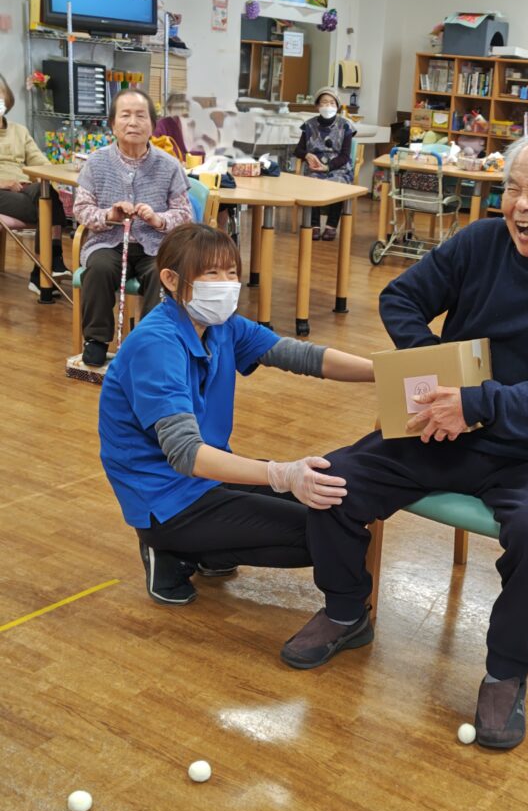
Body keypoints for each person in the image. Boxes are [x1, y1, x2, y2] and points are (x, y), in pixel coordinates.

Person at [280, 124, 528, 751]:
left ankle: (506, 672)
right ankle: (347, 610)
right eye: (512, 189)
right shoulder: (480, 242)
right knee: (329, 482)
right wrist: (439, 371)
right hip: (439, 429)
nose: (520, 205)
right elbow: (401, 298)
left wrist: (476, 403)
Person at [98, 222, 374, 607]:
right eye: (211, 272)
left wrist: (383, 372)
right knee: (325, 534)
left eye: (231, 272)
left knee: (335, 508)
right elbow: (186, 454)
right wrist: (281, 474)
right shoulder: (156, 344)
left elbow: (301, 356)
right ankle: (174, 549)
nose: (226, 283)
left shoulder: (221, 326)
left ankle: (205, 550)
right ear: (171, 280)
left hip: (209, 477)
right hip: (166, 498)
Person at [73, 89, 193, 368]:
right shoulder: (97, 162)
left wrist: (158, 220)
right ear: (113, 124)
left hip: (156, 245)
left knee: (161, 274)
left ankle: (149, 344)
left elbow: (185, 215)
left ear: (152, 124)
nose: (133, 122)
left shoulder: (169, 165)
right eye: (125, 115)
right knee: (99, 268)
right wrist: (109, 215)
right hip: (108, 242)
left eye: (141, 116)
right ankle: (96, 340)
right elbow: (80, 209)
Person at [0, 72, 69, 295]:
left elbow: (40, 162)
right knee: (46, 205)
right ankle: (48, 265)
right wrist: (3, 183)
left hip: (24, 188)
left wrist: (50, 174)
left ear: (7, 99)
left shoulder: (19, 131)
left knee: (46, 192)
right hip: (2, 190)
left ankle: (44, 269)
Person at [293, 86, 355, 241]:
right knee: (312, 182)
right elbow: (298, 150)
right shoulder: (309, 125)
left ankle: (331, 226)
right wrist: (307, 155)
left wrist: (328, 167)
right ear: (317, 106)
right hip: (315, 167)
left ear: (337, 106)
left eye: (332, 103)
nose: (328, 106)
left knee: (338, 184)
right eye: (324, 102)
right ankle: (314, 225)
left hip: (338, 167)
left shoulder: (345, 126)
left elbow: (345, 156)